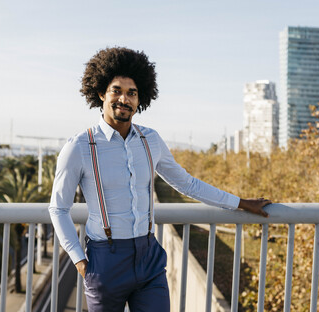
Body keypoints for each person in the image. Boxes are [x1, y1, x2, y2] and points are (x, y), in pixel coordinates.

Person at [49, 46, 271, 312]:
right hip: (105, 260)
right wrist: (79, 261)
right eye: (116, 90)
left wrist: (241, 203)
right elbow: (59, 208)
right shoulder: (79, 147)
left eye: (132, 93)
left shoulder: (150, 140)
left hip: (149, 257)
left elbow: (187, 183)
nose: (124, 99)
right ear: (100, 93)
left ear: (140, 98)